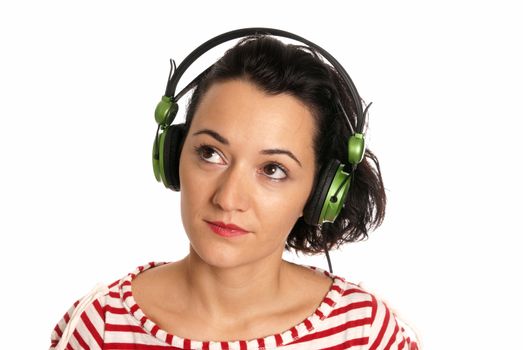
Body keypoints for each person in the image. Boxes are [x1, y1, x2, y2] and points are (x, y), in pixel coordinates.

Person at [50, 28, 419, 349]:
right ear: (173, 154)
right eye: (210, 153)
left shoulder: (366, 335)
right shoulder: (99, 326)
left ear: (323, 193)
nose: (228, 198)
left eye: (273, 169)